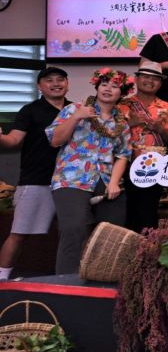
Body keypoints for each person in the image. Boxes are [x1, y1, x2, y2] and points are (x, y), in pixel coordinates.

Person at [46, 68, 133, 274]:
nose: (108, 89)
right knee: (74, 229)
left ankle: (103, 279)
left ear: (122, 93)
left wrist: (114, 182)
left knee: (113, 231)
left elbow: (123, 155)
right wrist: (77, 117)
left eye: (115, 86)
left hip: (105, 179)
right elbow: (55, 140)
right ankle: (66, 282)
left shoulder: (121, 123)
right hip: (72, 179)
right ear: (97, 86)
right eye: (104, 84)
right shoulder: (74, 109)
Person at [0, 67, 69, 281]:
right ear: (40, 86)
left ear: (67, 84)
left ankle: (68, 279)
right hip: (36, 180)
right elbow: (13, 140)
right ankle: (2, 278)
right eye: (49, 80)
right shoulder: (30, 110)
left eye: (60, 79)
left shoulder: (76, 110)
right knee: (19, 233)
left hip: (70, 183)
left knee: (71, 234)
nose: (56, 84)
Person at [121, 63, 168, 232]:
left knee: (148, 213)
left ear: (160, 83)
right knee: (125, 213)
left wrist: (161, 130)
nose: (150, 81)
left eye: (155, 78)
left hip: (154, 169)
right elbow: (109, 135)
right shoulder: (122, 105)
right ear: (136, 79)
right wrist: (129, 125)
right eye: (146, 77)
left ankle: (146, 246)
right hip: (125, 166)